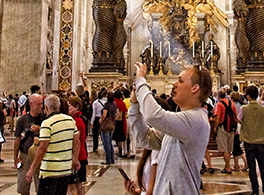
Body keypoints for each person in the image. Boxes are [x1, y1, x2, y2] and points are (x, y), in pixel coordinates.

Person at [130, 61, 212, 195]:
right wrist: (134, 104)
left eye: (180, 81)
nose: (174, 84)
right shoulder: (182, 123)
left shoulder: (197, 120)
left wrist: (141, 81)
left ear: (194, 88)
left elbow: (153, 116)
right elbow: (143, 138)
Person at [24, 94, 79, 195]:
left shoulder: (47, 123)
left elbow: (42, 149)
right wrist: (75, 158)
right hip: (65, 169)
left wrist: (31, 169)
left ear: (46, 107)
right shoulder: (70, 120)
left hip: (50, 170)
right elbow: (76, 141)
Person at [240, 85, 264, 195]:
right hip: (260, 140)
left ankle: (255, 191)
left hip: (249, 140)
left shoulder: (244, 109)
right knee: (263, 166)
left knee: (252, 167)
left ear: (248, 96)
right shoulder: (262, 109)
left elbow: (238, 120)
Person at [66, 96, 88, 195]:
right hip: (81, 154)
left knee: (72, 185)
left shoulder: (77, 121)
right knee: (78, 184)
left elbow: (76, 140)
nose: (68, 109)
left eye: (70, 107)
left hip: (77, 156)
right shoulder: (79, 118)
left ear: (77, 107)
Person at [213, 88, 237, 174]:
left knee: (224, 149)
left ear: (218, 96)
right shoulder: (231, 103)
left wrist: (215, 127)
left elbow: (218, 117)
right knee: (229, 148)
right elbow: (235, 116)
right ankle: (227, 165)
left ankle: (228, 167)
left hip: (223, 127)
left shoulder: (219, 104)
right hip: (231, 127)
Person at [98, 88, 116, 164]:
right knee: (110, 142)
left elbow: (104, 114)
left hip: (106, 125)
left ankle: (108, 160)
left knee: (106, 143)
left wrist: (101, 120)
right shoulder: (115, 104)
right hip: (112, 123)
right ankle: (112, 159)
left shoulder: (106, 104)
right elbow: (117, 113)